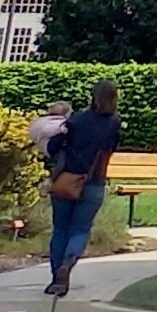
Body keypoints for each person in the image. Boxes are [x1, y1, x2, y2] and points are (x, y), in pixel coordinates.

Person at [44, 79, 123, 299]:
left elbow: (54, 146)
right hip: (94, 181)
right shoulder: (113, 123)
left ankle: (56, 278)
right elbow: (111, 148)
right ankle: (70, 260)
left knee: (60, 229)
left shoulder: (77, 119)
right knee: (80, 229)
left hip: (66, 179)